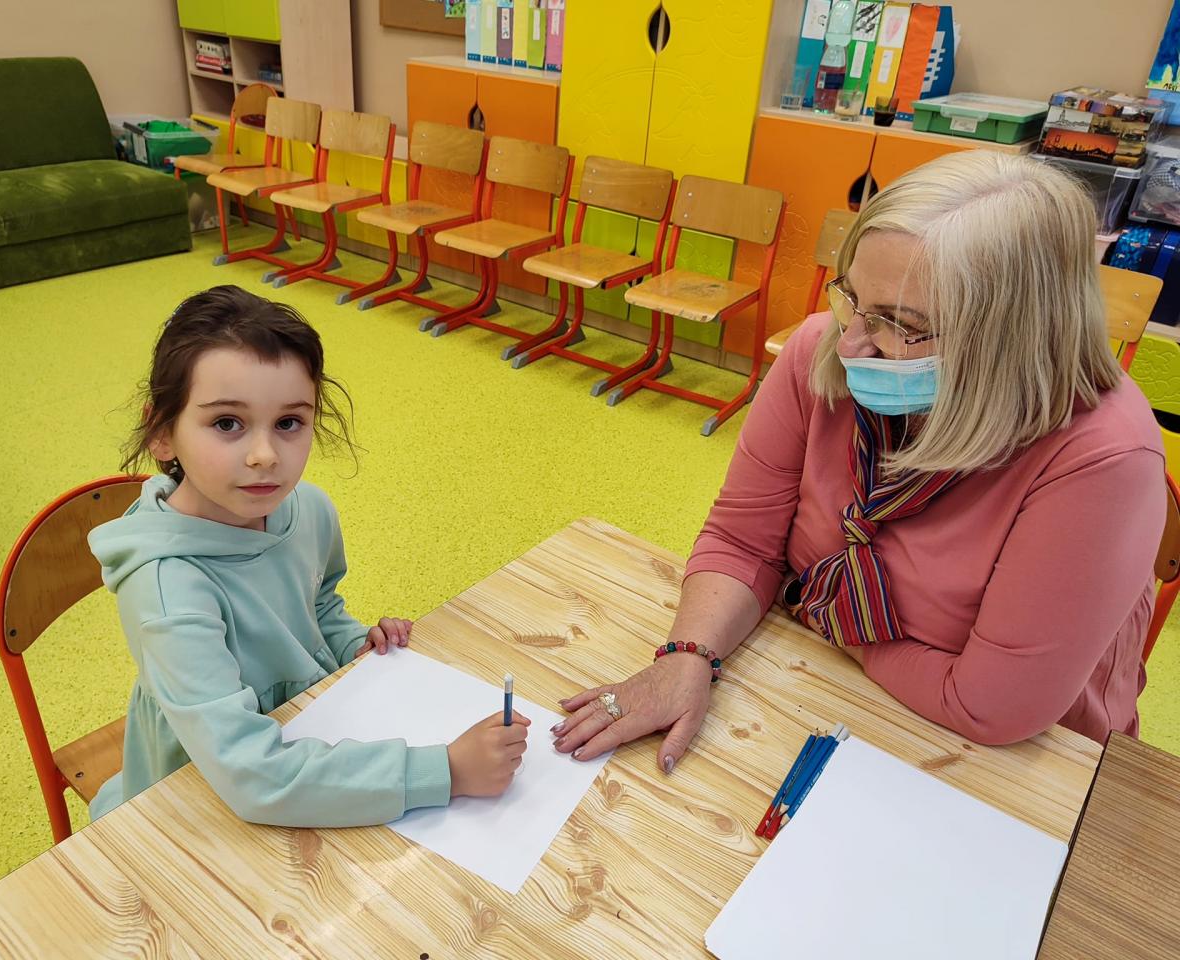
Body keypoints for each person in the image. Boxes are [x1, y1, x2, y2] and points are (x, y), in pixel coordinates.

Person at [552, 152, 1167, 769]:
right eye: (851, 297)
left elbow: (991, 707)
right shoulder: (818, 353)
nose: (848, 343)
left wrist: (820, 613)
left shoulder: (1101, 459)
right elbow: (742, 541)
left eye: (900, 324)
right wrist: (689, 655)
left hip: (1021, 761)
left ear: (1013, 337)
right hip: (818, 684)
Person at [89, 285, 528, 825]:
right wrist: (448, 771)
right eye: (227, 423)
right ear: (161, 432)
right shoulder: (166, 590)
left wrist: (353, 643)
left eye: (288, 423)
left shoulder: (308, 509)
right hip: (199, 786)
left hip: (309, 728)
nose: (265, 455)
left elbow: (319, 605)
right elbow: (251, 776)